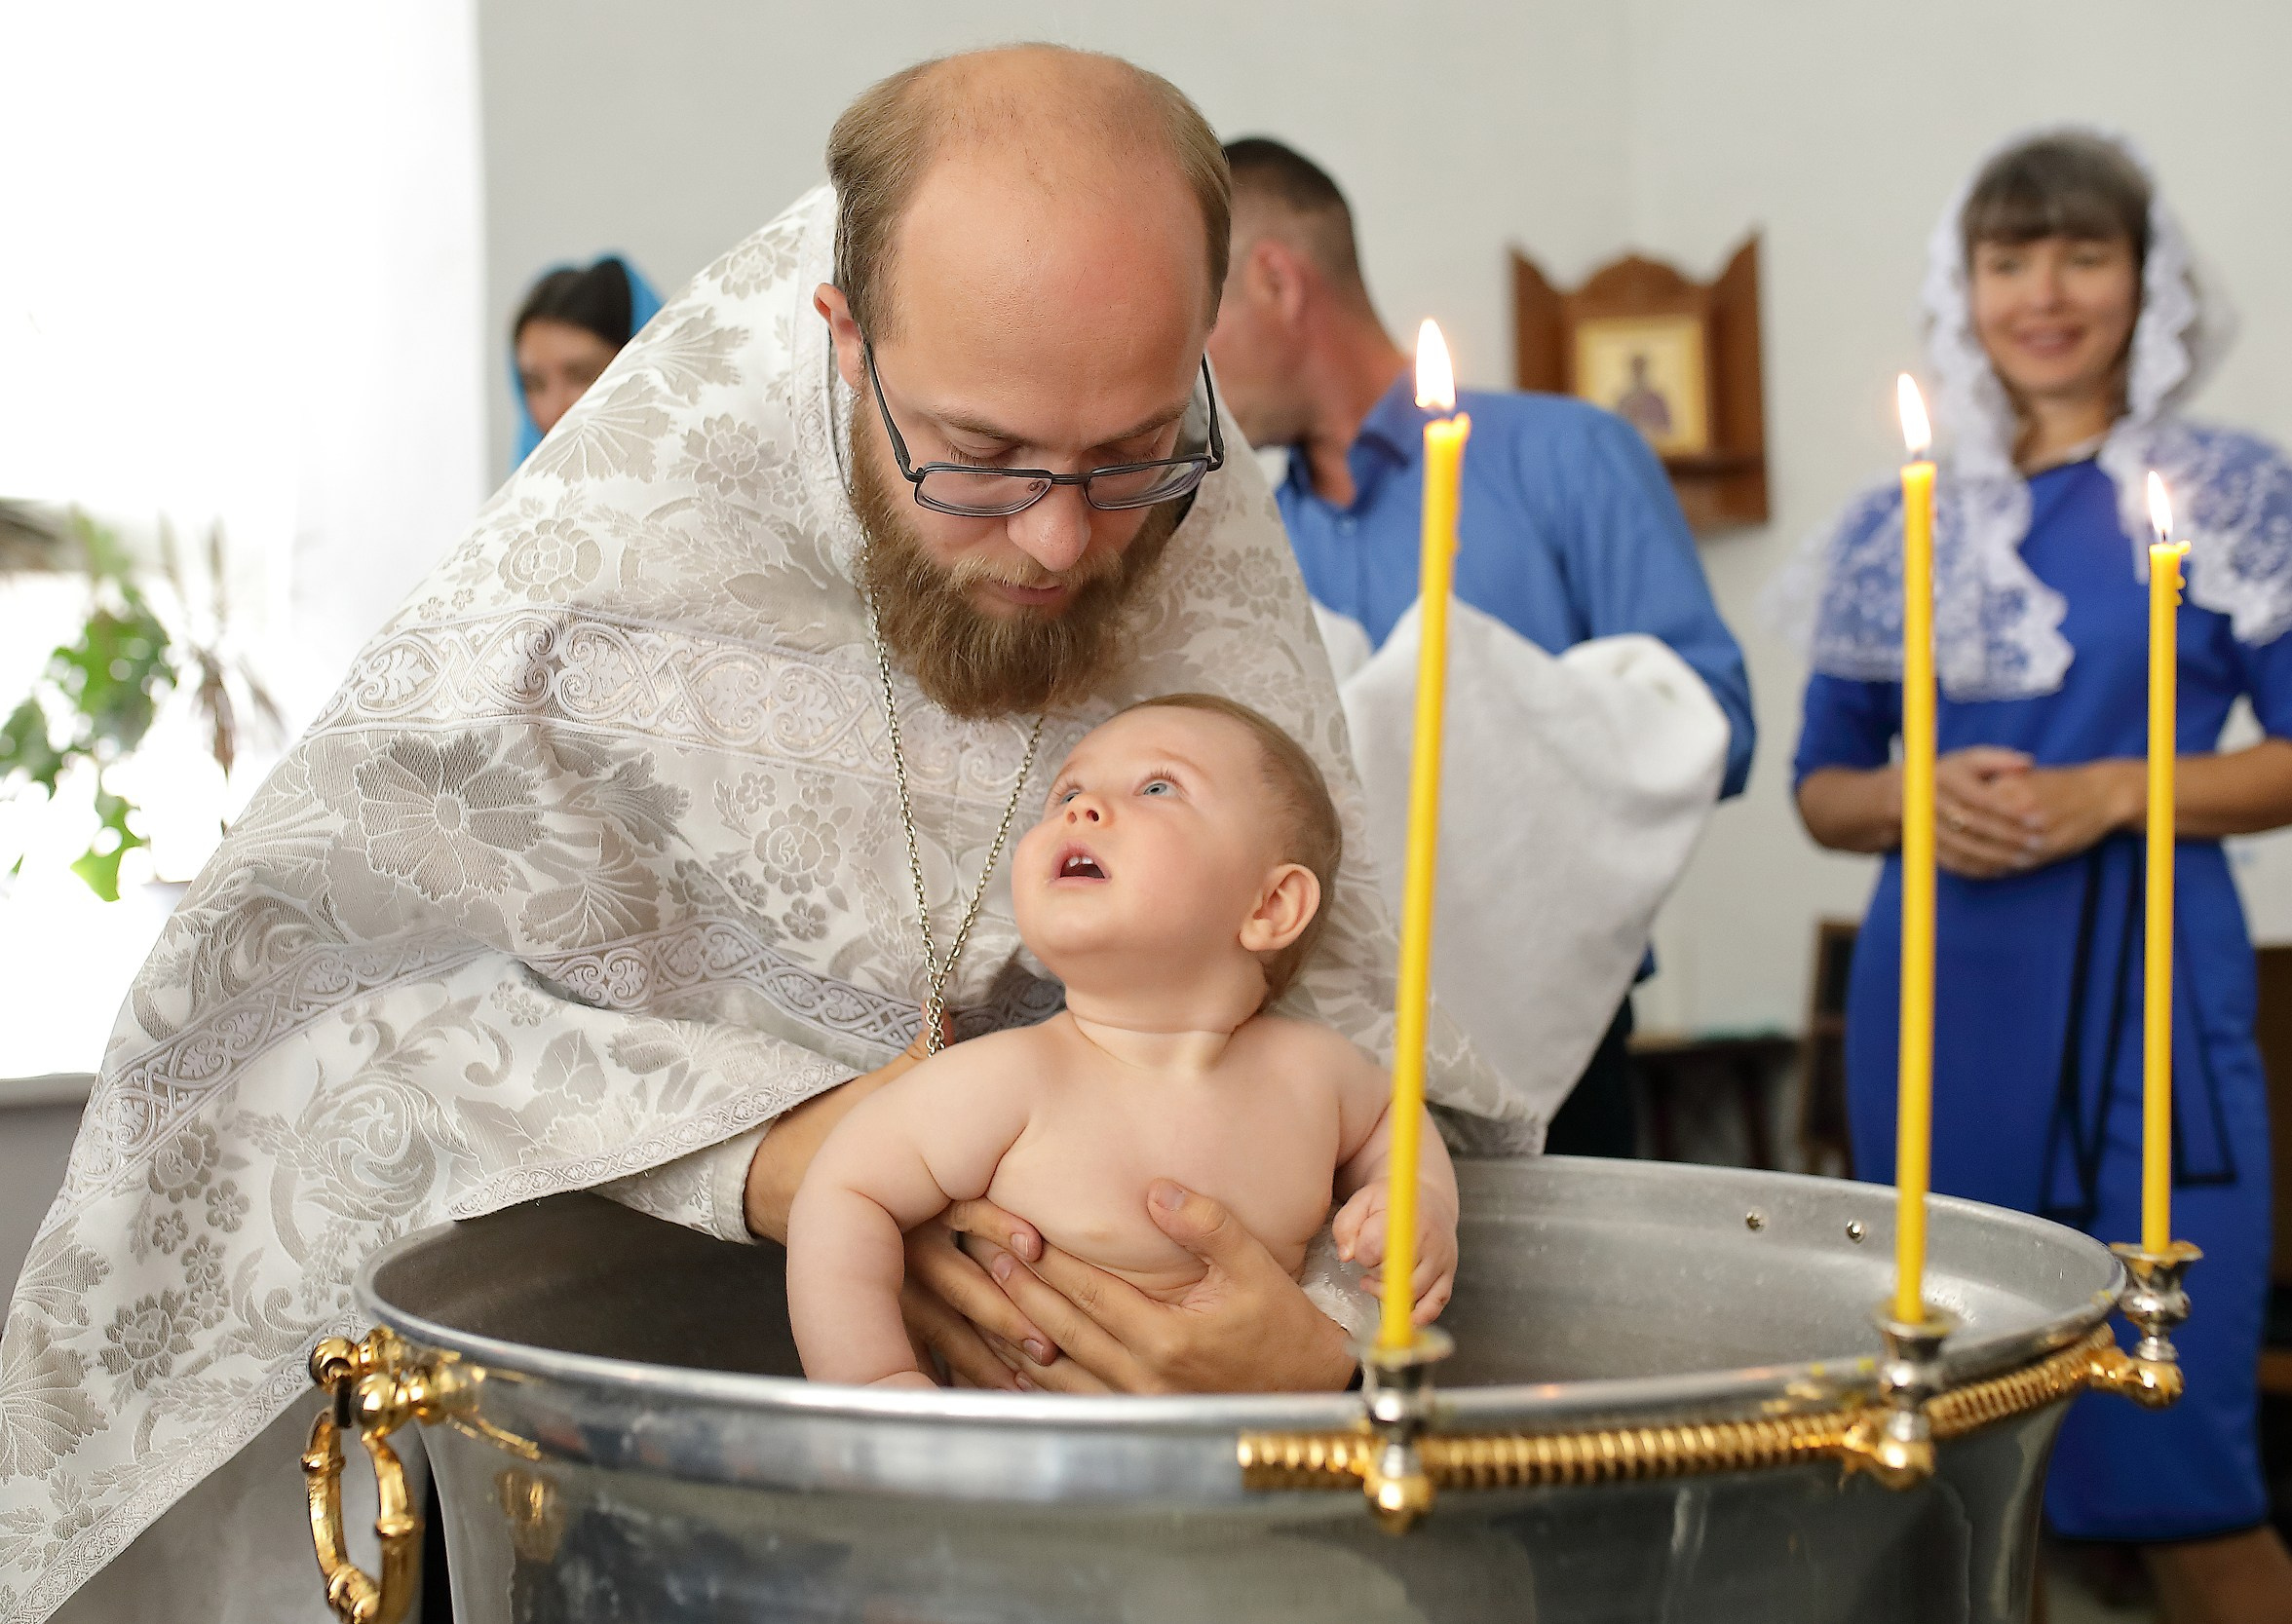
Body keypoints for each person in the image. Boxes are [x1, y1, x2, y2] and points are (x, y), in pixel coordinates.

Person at [6, 47, 1535, 1622]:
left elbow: (1350, 1031)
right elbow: (306, 1037)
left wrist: (1321, 1347)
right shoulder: (608, 570)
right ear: (846, 337)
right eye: (984, 455)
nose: (1065, 537)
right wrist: (783, 1151)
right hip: (629, 1487)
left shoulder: (1189, 509)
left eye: (1132, 453)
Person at [1786, 129, 2292, 1624]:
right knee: (1953, 1490)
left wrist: (2125, 786)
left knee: (2187, 1479)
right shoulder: (1895, 520)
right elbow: (1821, 787)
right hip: (1938, 1002)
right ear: (1962, 284)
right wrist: (1914, 796)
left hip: (2150, 1002)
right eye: (2008, 257)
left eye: (2083, 252)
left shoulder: (2224, 488)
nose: (2043, 291)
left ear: (2148, 280)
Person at [1208, 136, 1754, 1154]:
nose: (1182, 366)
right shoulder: (1251, 535)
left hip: (1561, 1023)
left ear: (1276, 279)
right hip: (1338, 1047)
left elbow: (1714, 719)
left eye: (1197, 317)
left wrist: (1492, 709)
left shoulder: (1569, 456)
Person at [791, 695, 1458, 1387]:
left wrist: (1420, 1201)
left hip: (1250, 1462)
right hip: (1029, 1464)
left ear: (1270, 906)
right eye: (1067, 792)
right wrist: (877, 1385)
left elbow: (1396, 1119)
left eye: (1158, 786)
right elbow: (842, 1191)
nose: (1082, 808)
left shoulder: (1312, 1073)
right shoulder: (1011, 1078)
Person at [509, 253, 662, 462]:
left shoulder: (709, 484)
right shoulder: (518, 491)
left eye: (582, 376)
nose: (555, 410)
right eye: (535, 383)